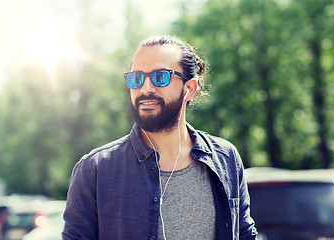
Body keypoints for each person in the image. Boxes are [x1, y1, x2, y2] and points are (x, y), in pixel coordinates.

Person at [62, 35, 258, 240]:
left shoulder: (225, 158)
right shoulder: (94, 170)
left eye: (160, 76)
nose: (146, 88)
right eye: (136, 78)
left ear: (189, 89)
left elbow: (244, 233)